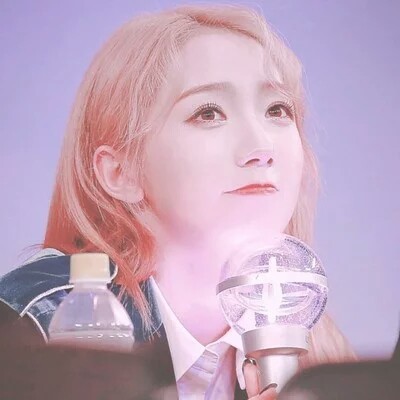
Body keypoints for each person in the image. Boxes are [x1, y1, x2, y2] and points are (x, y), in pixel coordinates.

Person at [0, 4, 356, 399]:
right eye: (208, 113)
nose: (261, 148)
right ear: (120, 173)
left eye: (277, 109)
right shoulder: (37, 326)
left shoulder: (320, 357)